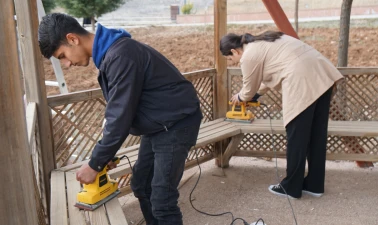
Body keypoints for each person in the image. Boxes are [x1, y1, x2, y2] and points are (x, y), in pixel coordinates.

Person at [38, 13, 202, 224]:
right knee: (142, 185)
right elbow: (119, 109)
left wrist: (95, 164)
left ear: (72, 39)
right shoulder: (112, 53)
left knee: (162, 200)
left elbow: (120, 116)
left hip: (177, 124)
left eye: (62, 56)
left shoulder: (120, 55)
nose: (67, 64)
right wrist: (105, 153)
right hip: (159, 125)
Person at [220, 31, 343, 199]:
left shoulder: (248, 56)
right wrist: (254, 95)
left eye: (229, 59)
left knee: (297, 137)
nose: (232, 63)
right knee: (316, 136)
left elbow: (248, 88)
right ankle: (314, 184)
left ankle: (291, 187)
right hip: (321, 76)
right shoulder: (263, 41)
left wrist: (241, 97)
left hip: (302, 82)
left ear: (234, 51)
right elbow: (265, 77)